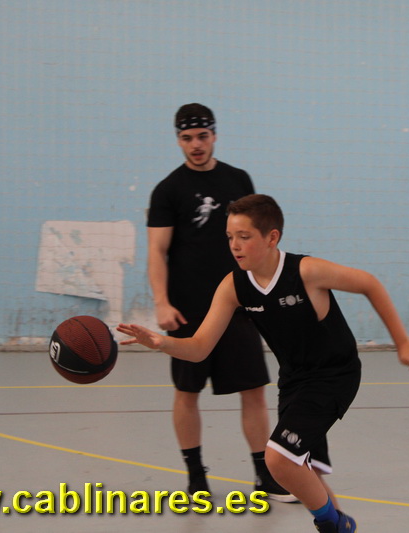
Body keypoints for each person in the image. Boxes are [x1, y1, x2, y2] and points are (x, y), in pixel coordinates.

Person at [121, 194, 409, 532]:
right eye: (230, 237)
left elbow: (369, 283)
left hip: (334, 376)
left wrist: (403, 341)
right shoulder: (235, 286)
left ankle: (336, 525)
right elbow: (200, 348)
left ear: (272, 237)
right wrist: (160, 342)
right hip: (293, 380)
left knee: (278, 460)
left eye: (244, 237)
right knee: (305, 473)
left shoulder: (306, 272)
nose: (235, 246)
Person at [146, 104, 293, 501]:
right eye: (187, 138)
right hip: (188, 312)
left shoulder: (238, 179)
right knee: (187, 393)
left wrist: (267, 289)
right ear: (178, 140)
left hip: (239, 307)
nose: (196, 145)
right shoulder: (167, 190)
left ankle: (264, 475)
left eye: (202, 136)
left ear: (214, 135)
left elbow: (256, 240)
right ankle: (196, 477)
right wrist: (161, 302)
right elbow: (157, 251)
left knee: (254, 391)